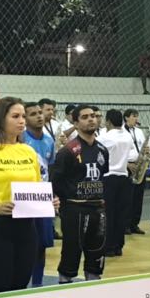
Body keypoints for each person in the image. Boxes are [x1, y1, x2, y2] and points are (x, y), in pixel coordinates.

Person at [0, 97, 51, 293]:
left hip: (26, 225)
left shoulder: (28, 152)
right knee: (0, 284)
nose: (22, 120)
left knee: (21, 283)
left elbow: (37, 184)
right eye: (15, 116)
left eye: (23, 116)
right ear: (1, 120)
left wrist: (48, 201)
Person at [51, 103, 108, 282]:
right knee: (71, 252)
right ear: (75, 124)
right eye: (85, 117)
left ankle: (93, 292)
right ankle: (65, 287)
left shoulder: (102, 150)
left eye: (93, 115)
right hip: (75, 209)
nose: (91, 119)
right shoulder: (67, 152)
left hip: (97, 208)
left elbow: (102, 175)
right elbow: (55, 181)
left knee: (97, 253)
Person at [22, 101, 56, 287]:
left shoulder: (50, 140)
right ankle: (22, 282)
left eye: (40, 112)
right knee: (25, 243)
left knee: (42, 244)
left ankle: (38, 283)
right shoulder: (20, 138)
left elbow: (51, 171)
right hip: (23, 197)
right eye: (33, 113)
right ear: (25, 119)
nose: (39, 116)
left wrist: (52, 196)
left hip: (42, 196)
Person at [97, 109, 133, 259]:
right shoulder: (128, 136)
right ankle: (118, 245)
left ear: (109, 122)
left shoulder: (105, 137)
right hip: (124, 177)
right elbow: (134, 155)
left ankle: (108, 246)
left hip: (109, 177)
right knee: (121, 213)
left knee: (108, 213)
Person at [124, 109, 150, 235]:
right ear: (126, 118)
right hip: (129, 166)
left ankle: (135, 224)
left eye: (137, 116)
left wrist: (146, 150)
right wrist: (127, 164)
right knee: (128, 198)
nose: (136, 119)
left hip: (140, 166)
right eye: (134, 116)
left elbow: (143, 146)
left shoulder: (139, 132)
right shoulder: (122, 132)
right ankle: (126, 225)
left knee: (138, 197)